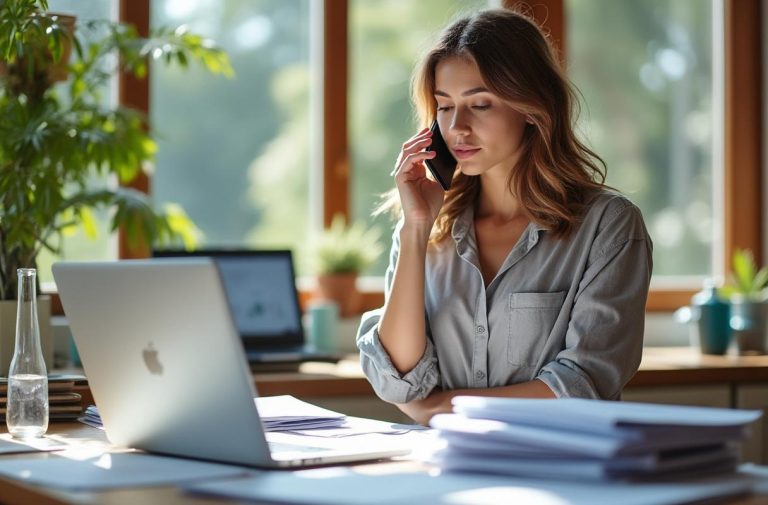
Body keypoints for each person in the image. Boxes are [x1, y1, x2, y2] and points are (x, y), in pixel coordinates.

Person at [356, 8, 653, 426]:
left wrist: (441, 406)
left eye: (480, 104)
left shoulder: (608, 227)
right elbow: (401, 381)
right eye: (444, 107)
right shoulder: (426, 227)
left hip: (559, 475)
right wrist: (415, 229)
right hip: (447, 471)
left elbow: (583, 383)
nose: (457, 127)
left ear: (532, 106)